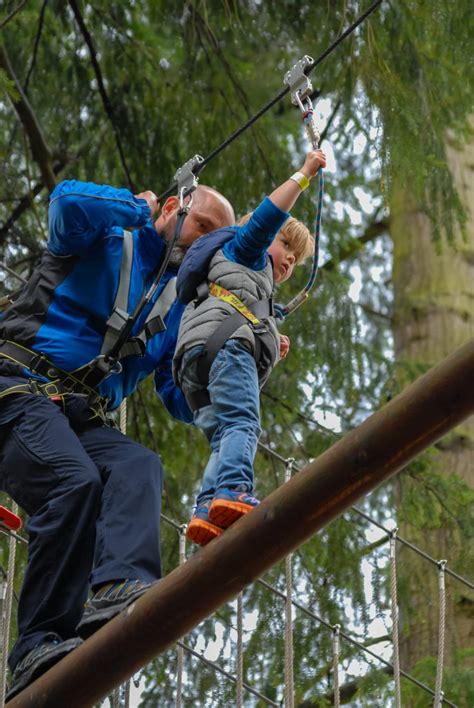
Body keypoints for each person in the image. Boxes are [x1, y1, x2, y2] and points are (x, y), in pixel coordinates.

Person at [0, 179, 234, 699]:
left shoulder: (177, 306)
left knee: (137, 465)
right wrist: (135, 208)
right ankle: (36, 642)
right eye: (202, 227)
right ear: (173, 207)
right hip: (16, 386)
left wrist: (234, 361)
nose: (203, 243)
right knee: (73, 482)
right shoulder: (108, 234)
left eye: (216, 239)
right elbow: (63, 206)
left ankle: (119, 587)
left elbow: (179, 394)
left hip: (77, 416)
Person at [173, 148, 326, 546]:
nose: (289, 259)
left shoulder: (243, 286)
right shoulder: (245, 248)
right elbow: (269, 215)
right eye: (285, 247)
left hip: (196, 364)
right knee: (243, 423)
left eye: (295, 259)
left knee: (224, 436)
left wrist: (272, 339)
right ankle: (234, 490)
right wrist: (305, 173)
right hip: (226, 349)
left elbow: (241, 309)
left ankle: (207, 508)